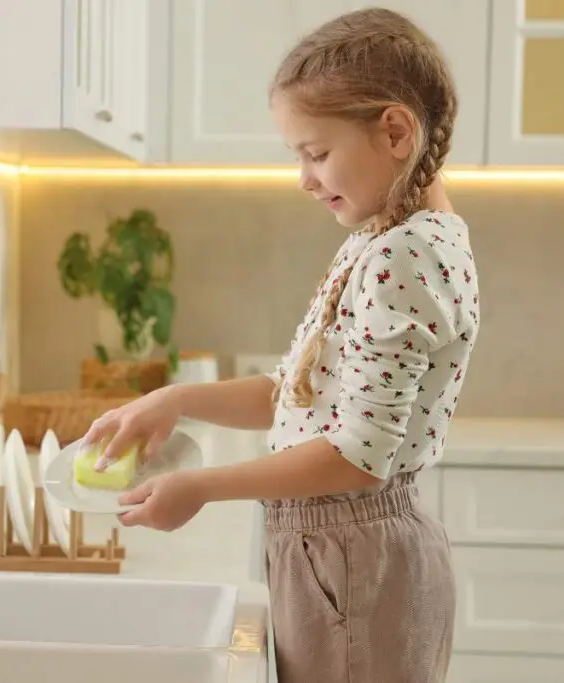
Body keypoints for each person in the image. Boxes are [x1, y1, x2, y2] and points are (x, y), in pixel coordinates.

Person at [81, 7, 479, 683]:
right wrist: (174, 400)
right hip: (342, 550)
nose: (303, 177)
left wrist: (202, 487)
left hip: (352, 555)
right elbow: (294, 394)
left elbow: (356, 458)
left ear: (395, 131)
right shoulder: (384, 241)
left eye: (316, 152)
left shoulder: (403, 256)